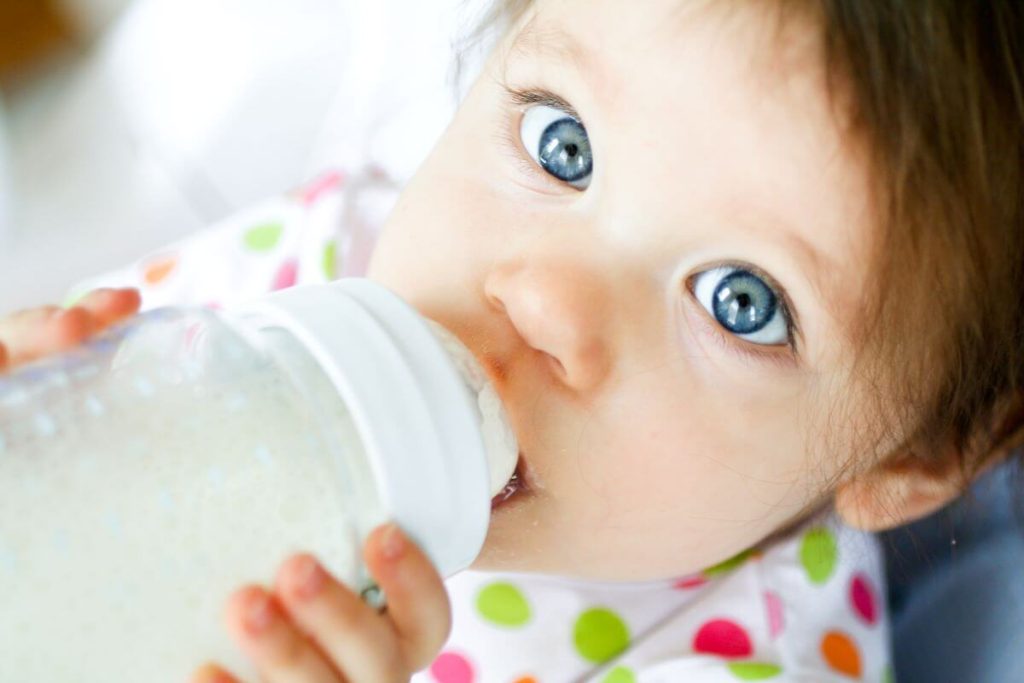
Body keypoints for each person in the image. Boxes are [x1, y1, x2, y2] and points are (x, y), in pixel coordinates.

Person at [1, 1, 1020, 681]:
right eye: (560, 144)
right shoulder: (317, 261)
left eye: (738, 301)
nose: (541, 300)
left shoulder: (738, 661)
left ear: (912, 457)